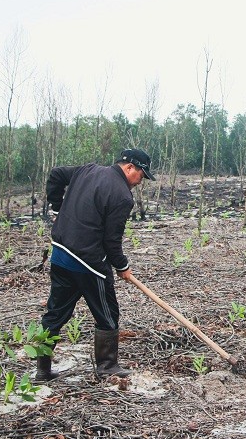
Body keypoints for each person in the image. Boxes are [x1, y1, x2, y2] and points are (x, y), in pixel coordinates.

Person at [36, 148, 156, 381]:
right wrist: (122, 266)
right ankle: (107, 366)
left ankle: (42, 369)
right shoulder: (122, 196)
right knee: (107, 313)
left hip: (60, 254)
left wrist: (57, 207)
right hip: (88, 264)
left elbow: (56, 174)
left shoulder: (87, 170)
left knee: (55, 315)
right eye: (141, 175)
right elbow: (112, 241)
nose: (140, 181)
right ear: (129, 167)